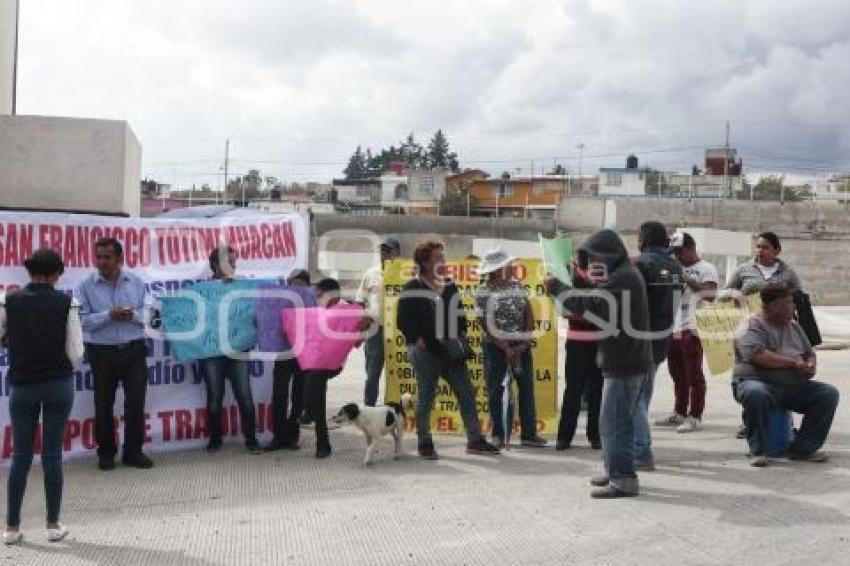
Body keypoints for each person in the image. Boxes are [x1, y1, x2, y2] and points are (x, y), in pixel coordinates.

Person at [546, 229, 654, 498]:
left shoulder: (622, 279)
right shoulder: (621, 275)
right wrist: (572, 281)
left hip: (625, 361)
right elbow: (596, 295)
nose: (592, 263)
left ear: (607, 255)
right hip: (626, 358)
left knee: (614, 423)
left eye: (594, 257)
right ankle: (616, 469)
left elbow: (594, 305)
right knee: (616, 423)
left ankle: (622, 480)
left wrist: (559, 288)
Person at [1, 249, 84, 545]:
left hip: (22, 384)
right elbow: (76, 351)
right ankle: (52, 524)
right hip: (57, 383)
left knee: (20, 456)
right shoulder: (67, 302)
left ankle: (11, 527)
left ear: (29, 272)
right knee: (52, 455)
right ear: (55, 274)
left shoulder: (8, 301)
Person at [397, 241, 500, 459]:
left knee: (467, 393)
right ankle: (424, 442)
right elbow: (403, 321)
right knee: (426, 396)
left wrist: (459, 334)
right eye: (438, 258)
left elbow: (460, 313)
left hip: (451, 350)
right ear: (425, 262)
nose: (443, 262)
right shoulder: (413, 287)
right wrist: (418, 341)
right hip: (426, 352)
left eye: (443, 258)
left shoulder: (450, 284)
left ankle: (475, 440)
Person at [732, 283, 839, 467]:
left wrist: (810, 365)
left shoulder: (794, 326)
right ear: (770, 307)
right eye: (788, 304)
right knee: (755, 393)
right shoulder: (750, 326)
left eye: (792, 303)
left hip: (791, 387)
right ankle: (758, 451)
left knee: (827, 394)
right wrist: (793, 363)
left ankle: (803, 448)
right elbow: (758, 356)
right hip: (756, 381)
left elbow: (809, 352)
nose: (794, 307)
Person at [76, 238, 153, 470]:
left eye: (106, 257)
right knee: (103, 404)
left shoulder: (137, 282)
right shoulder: (85, 286)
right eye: (98, 257)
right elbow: (80, 321)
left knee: (136, 403)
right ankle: (106, 454)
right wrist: (108, 315)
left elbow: (150, 314)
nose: (101, 262)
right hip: (102, 352)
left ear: (119, 259)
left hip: (134, 349)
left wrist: (133, 316)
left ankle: (133, 453)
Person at [725, 231, 802, 438]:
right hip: (751, 330)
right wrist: (735, 294)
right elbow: (726, 293)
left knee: (781, 372)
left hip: (780, 330)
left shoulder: (788, 273)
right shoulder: (744, 270)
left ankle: (785, 422)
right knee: (752, 373)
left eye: (765, 247)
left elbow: (798, 298)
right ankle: (749, 421)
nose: (759, 251)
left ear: (776, 250)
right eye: (758, 246)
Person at [475, 249, 546, 448]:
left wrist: (523, 342)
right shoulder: (483, 291)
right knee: (495, 390)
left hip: (520, 346)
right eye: (507, 265)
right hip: (494, 348)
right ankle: (498, 433)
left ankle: (529, 434)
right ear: (497, 270)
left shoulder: (517, 285)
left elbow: (528, 313)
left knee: (526, 388)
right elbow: (485, 322)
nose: (511, 268)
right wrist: (503, 346)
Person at [199, 246, 261, 454]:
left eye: (234, 263)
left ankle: (251, 440)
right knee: (214, 397)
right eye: (229, 263)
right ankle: (215, 439)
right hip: (211, 352)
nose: (233, 267)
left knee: (245, 395)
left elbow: (253, 315)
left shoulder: (244, 288)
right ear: (215, 265)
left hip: (238, 350)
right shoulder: (202, 290)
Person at [656, 232, 718, 433]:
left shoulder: (706, 268)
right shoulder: (673, 266)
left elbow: (710, 295)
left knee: (694, 374)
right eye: (674, 253)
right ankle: (680, 412)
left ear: (691, 249)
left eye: (680, 252)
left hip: (693, 326)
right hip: (672, 326)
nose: (677, 256)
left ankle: (695, 415)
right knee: (677, 373)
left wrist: (684, 277)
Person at [633, 221, 682, 470]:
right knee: (643, 396)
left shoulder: (642, 265)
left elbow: (631, 305)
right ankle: (639, 448)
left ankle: (641, 452)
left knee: (634, 400)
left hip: (640, 340)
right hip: (662, 340)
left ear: (644, 239)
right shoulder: (674, 266)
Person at [301, 278, 358, 459]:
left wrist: (361, 327)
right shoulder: (317, 310)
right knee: (318, 399)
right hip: (315, 361)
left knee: (313, 391)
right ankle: (323, 445)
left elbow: (357, 341)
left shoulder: (347, 311)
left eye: (320, 295)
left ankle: (308, 412)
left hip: (332, 364)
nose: (317, 299)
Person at [556, 250, 603, 451]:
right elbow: (566, 309)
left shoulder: (600, 275)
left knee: (597, 391)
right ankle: (564, 437)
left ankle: (595, 436)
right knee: (573, 390)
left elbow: (599, 306)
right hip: (577, 340)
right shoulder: (569, 276)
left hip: (599, 340)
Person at [265, 269, 313, 452]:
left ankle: (292, 435)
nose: (299, 286)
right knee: (279, 394)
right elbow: (265, 320)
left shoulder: (312, 301)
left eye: (303, 283)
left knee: (298, 396)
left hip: (303, 354)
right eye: (295, 282)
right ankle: (278, 436)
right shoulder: (277, 301)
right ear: (288, 283)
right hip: (283, 353)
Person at [356, 237, 401, 406]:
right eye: (382, 250)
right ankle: (369, 406)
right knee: (373, 373)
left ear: (397, 253)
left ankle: (396, 408)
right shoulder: (371, 273)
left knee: (399, 371)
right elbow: (360, 300)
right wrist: (360, 327)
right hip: (376, 329)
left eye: (388, 250)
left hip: (399, 331)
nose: (384, 254)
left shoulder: (406, 274)